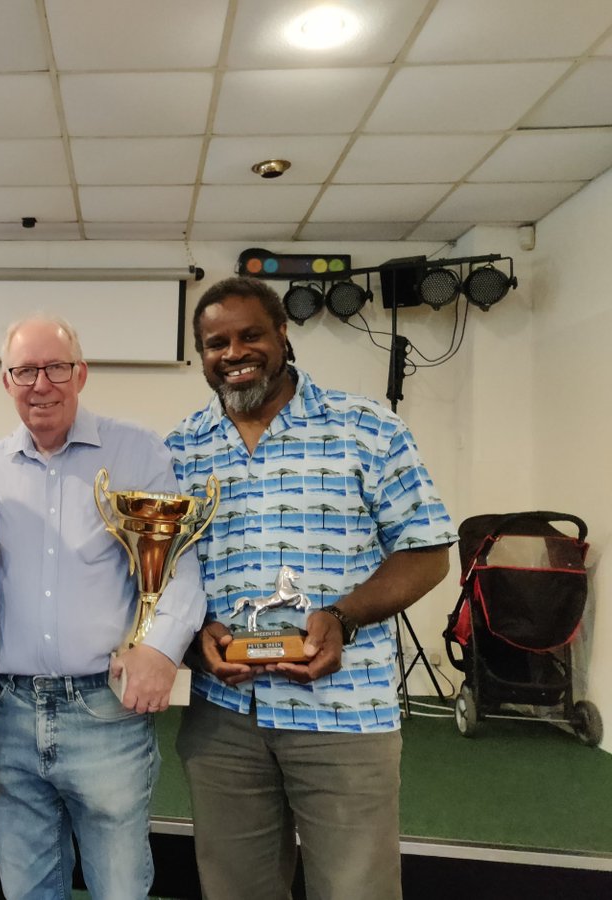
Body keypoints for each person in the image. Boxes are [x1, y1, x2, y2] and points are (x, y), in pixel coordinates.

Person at [166, 276, 456, 900]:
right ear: (202, 356)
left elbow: (429, 553)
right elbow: (165, 573)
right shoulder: (182, 448)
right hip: (225, 718)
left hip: (344, 713)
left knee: (357, 891)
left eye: (250, 336)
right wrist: (196, 636)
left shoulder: (367, 429)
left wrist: (344, 617)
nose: (234, 353)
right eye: (217, 343)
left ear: (283, 337)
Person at [0, 316, 206, 899]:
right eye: (25, 371)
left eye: (55, 368)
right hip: (10, 714)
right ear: (7, 381)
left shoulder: (137, 452)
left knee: (120, 888)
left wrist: (160, 647)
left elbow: (178, 568)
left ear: (81, 374)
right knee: (28, 889)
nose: (40, 383)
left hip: (105, 711)